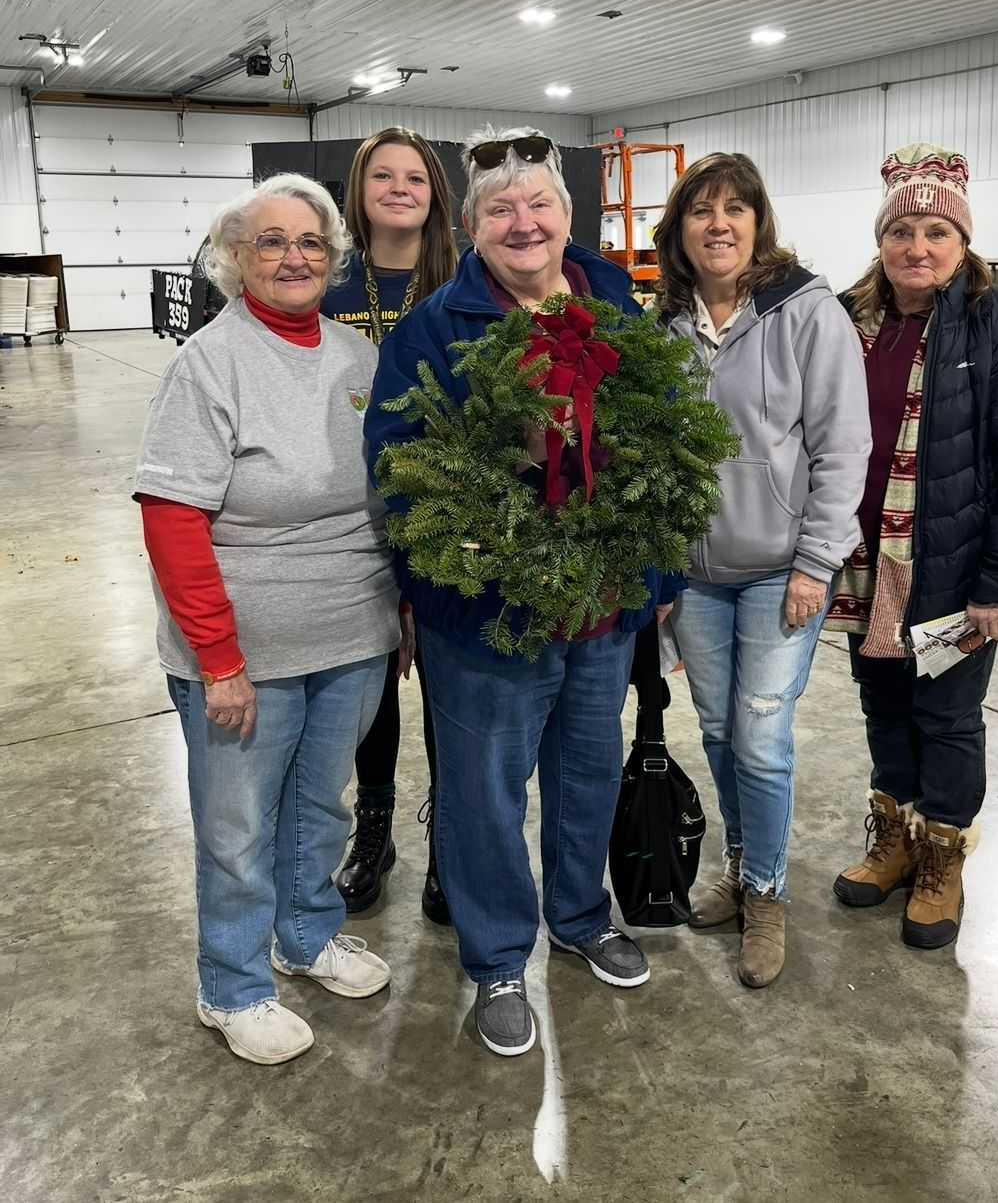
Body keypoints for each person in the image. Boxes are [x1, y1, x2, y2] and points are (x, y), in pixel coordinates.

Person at [364, 126, 681, 1057]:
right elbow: (400, 466)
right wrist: (442, 583)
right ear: (468, 226)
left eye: (539, 203)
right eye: (499, 208)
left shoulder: (615, 304)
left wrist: (653, 577)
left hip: (603, 607)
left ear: (566, 216)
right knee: (484, 791)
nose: (523, 221)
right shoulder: (437, 325)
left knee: (586, 770)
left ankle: (580, 915)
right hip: (488, 615)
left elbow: (667, 442)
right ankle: (498, 955)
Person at [134, 173, 397, 1065]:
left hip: (352, 633)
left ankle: (306, 933)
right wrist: (217, 656)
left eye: (311, 242)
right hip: (246, 649)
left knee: (322, 805)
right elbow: (172, 517)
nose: (294, 257)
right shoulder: (208, 361)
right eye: (272, 242)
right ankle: (233, 982)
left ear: (334, 256)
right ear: (236, 257)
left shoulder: (357, 358)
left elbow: (390, 497)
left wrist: (392, 610)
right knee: (238, 829)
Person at [826, 143, 998, 948]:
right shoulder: (850, 318)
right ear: (881, 239)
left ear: (962, 239)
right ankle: (893, 838)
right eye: (902, 230)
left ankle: (943, 857)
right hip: (865, 559)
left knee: (949, 715)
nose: (917, 247)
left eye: (936, 229)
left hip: (955, 566)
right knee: (882, 701)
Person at [654, 152, 871, 989]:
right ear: (680, 230)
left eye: (735, 208)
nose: (719, 224)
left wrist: (818, 560)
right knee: (715, 732)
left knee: (761, 738)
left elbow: (842, 446)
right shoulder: (666, 321)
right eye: (702, 211)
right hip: (697, 577)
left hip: (783, 571)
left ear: (758, 222)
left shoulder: (807, 312)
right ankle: (740, 870)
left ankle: (768, 892)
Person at [321, 127, 458, 922]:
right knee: (369, 683)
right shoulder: (329, 279)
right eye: (384, 175)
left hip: (445, 511)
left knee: (448, 682)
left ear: (435, 192)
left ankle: (450, 833)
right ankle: (374, 827)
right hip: (349, 511)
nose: (400, 187)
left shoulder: (461, 280)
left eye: (415, 176)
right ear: (361, 188)